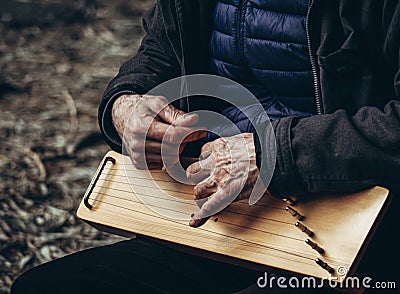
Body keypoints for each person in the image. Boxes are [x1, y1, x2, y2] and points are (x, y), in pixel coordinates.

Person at [12, 0, 400, 293]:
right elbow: (161, 50)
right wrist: (126, 105)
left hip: (351, 233)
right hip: (220, 222)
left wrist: (272, 153)